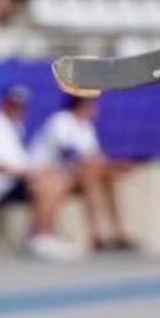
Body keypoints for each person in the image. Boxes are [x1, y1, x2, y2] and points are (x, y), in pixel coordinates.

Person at [0, 85, 79, 261]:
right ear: (4, 103)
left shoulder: (14, 127)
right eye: (13, 105)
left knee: (54, 177)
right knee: (46, 180)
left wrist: (38, 172)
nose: (18, 109)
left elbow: (21, 163)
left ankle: (41, 236)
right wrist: (33, 174)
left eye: (21, 106)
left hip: (13, 182)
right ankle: (41, 237)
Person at [30, 96, 140, 253]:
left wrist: (114, 167)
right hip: (48, 175)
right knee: (92, 173)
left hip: (73, 176)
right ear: (83, 105)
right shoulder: (61, 121)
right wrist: (106, 166)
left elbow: (94, 158)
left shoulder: (87, 127)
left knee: (103, 178)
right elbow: (71, 155)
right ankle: (95, 236)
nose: (96, 109)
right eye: (92, 105)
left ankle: (117, 234)